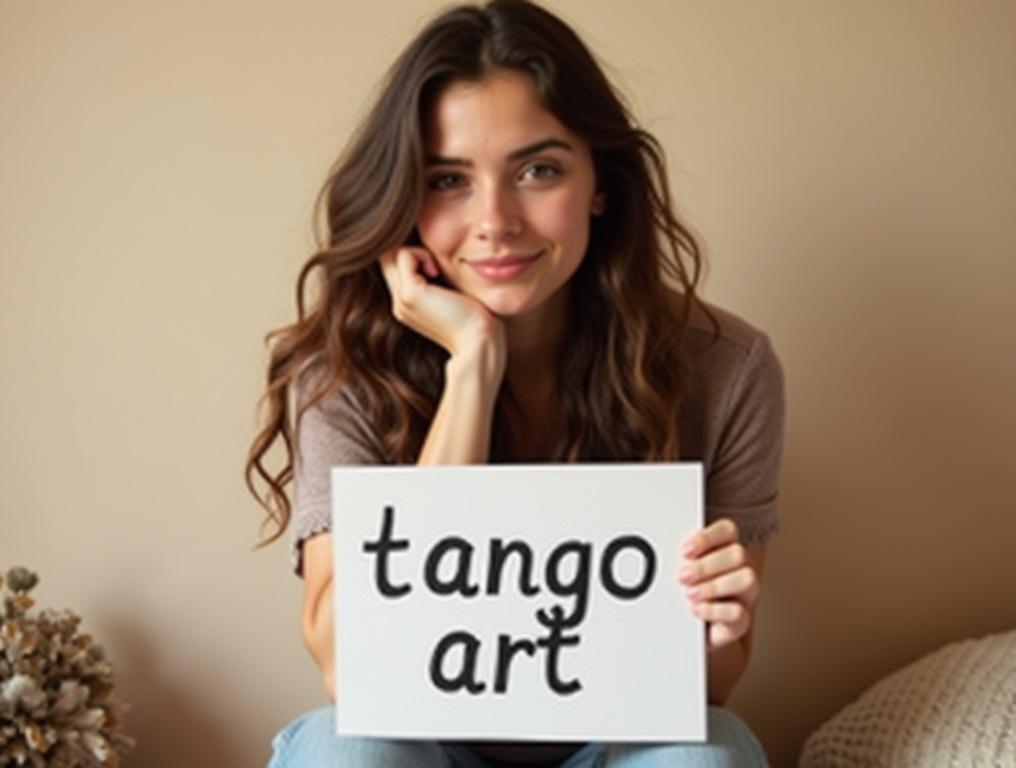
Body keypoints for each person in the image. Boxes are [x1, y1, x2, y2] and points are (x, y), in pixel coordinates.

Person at [246, 1, 784, 765]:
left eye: (538, 170)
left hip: (617, 745)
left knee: (708, 754)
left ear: (601, 181)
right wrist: (473, 362)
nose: (495, 220)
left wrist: (721, 621)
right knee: (349, 750)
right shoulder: (345, 373)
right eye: (448, 180)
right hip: (416, 743)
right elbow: (349, 665)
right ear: (405, 197)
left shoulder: (725, 368)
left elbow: (714, 684)